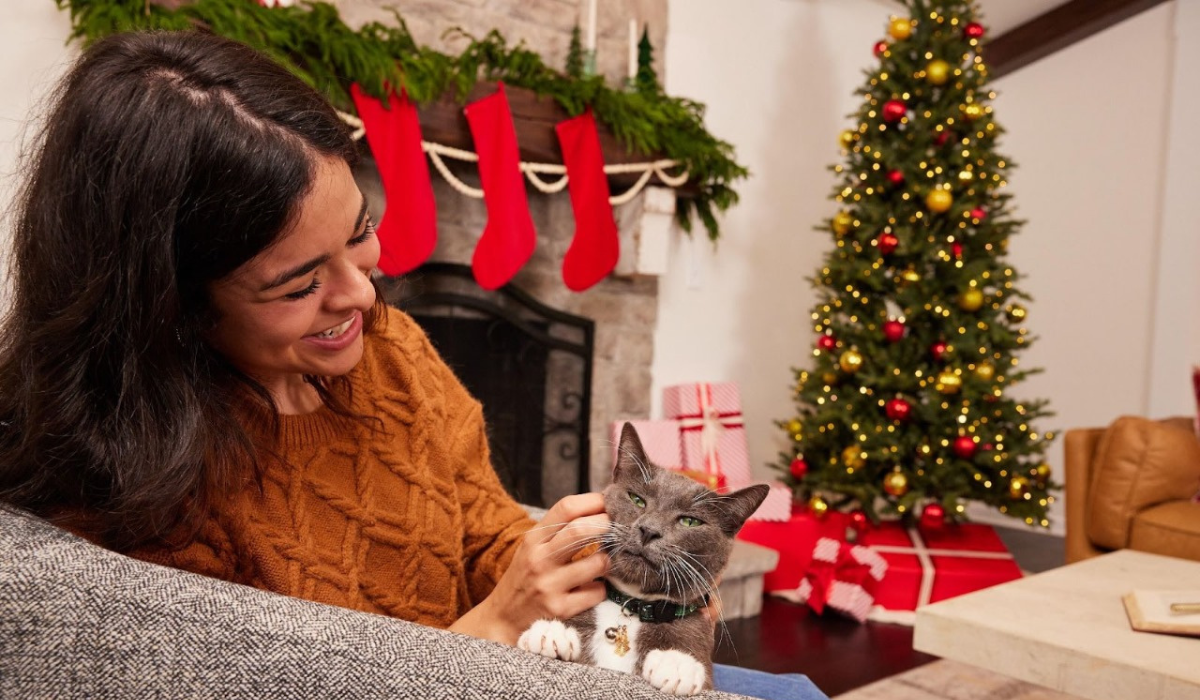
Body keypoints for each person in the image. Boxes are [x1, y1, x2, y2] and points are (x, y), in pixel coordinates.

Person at [0, 30, 825, 700]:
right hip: (473, 672)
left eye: (359, 232)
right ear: (168, 303)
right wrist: (500, 622)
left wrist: (587, 564)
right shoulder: (129, 496)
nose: (362, 293)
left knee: (796, 692)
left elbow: (479, 522)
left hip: (539, 656)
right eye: (300, 282)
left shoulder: (386, 351)